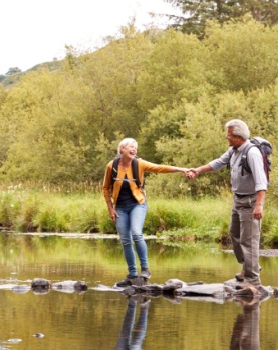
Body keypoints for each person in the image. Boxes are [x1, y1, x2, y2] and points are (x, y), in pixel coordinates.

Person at [185, 120, 268, 287]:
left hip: (251, 201)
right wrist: (198, 170)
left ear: (238, 137)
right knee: (235, 234)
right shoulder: (233, 150)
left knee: (249, 240)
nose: (226, 138)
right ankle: (249, 267)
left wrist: (259, 205)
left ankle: (252, 280)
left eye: (229, 135)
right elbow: (218, 163)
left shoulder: (252, 153)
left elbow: (261, 182)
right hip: (238, 199)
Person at [102, 138, 189, 287]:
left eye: (136, 147)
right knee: (125, 240)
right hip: (120, 208)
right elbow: (105, 188)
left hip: (138, 204)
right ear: (122, 149)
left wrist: (182, 169)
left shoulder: (139, 163)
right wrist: (110, 208)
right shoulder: (112, 166)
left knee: (136, 233)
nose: (135, 149)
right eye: (131, 147)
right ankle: (132, 275)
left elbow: (159, 168)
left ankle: (145, 269)